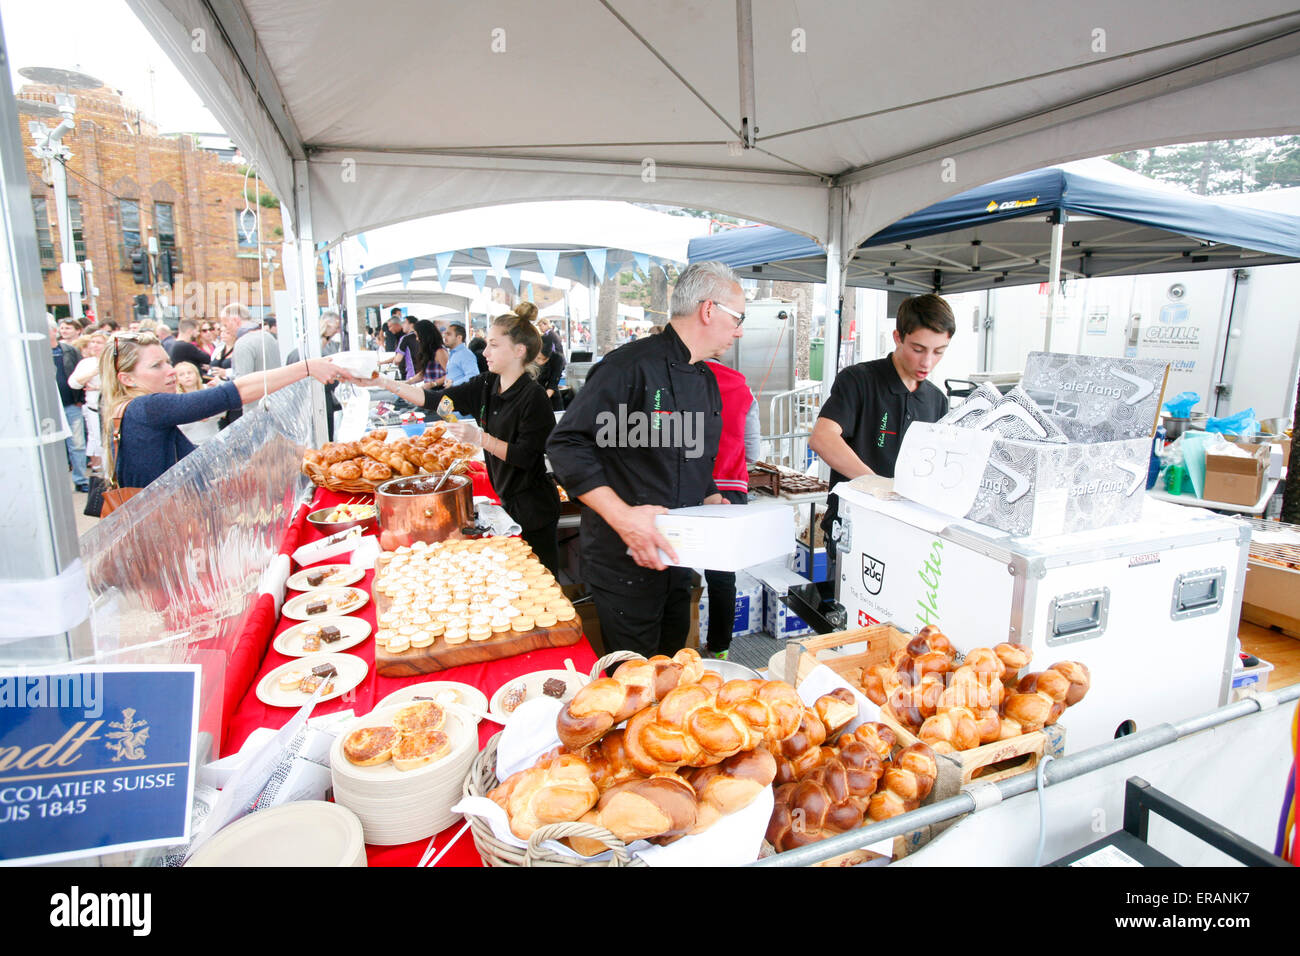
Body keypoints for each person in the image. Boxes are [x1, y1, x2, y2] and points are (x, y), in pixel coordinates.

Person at [546, 261, 744, 658]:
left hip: (677, 559)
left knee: (672, 668)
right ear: (708, 310)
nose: (739, 330)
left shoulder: (705, 379)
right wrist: (623, 517)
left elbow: (691, 458)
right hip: (624, 562)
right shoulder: (629, 367)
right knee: (634, 682)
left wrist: (709, 499)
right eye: (738, 317)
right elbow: (566, 443)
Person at [377, 303, 562, 574]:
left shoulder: (532, 397)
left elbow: (526, 457)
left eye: (494, 345)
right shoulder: (487, 384)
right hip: (505, 498)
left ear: (519, 351)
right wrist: (385, 383)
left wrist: (480, 438)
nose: (485, 352)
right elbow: (435, 400)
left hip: (533, 507)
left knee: (541, 579)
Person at [808, 292, 954, 584]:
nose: (927, 361)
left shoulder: (936, 401)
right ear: (898, 337)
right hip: (854, 527)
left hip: (908, 532)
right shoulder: (859, 380)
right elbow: (823, 438)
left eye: (939, 351)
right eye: (918, 348)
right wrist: (876, 484)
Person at [98, 332, 349, 490]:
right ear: (127, 379)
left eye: (167, 361)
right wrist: (306, 368)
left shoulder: (123, 411)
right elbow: (234, 392)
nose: (171, 370)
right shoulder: (146, 407)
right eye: (156, 366)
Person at [702, 359, 761, 661]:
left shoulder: (677, 378)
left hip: (683, 485)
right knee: (722, 575)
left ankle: (670, 650)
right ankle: (719, 647)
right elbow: (753, 451)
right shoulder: (741, 385)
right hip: (730, 486)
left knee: (673, 570)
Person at [50, 317, 89, 493]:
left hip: (71, 405)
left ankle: (80, 479)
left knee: (77, 444)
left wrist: (79, 398)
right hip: (49, 409)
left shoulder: (69, 351)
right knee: (54, 447)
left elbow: (78, 373)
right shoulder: (34, 353)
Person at [68, 331, 109, 475]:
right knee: (96, 441)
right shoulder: (86, 363)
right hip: (93, 409)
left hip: (110, 408)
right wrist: (92, 373)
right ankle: (100, 472)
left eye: (99, 342)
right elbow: (73, 383)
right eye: (93, 342)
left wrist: (98, 387)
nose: (95, 345)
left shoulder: (113, 361)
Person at [173, 361, 223, 446]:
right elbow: (178, 425)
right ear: (177, 380)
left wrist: (208, 415)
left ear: (196, 375)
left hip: (213, 438)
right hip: (193, 443)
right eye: (181, 375)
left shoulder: (208, 389)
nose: (187, 376)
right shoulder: (176, 400)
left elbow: (223, 411)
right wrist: (194, 416)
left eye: (190, 373)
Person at [395, 319, 447, 385]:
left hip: (439, 391)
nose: (417, 339)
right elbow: (423, 373)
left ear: (424, 335)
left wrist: (434, 384)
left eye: (417, 336)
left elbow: (450, 374)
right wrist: (408, 382)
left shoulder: (440, 351)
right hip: (430, 391)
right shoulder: (429, 351)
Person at [441, 322, 479, 386]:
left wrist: (453, 384)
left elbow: (473, 376)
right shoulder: (454, 353)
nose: (445, 337)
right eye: (445, 334)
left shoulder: (465, 354)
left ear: (459, 338)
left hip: (461, 394)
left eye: (449, 334)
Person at [535, 345, 566, 411]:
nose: (540, 362)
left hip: (552, 400)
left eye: (544, 359)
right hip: (531, 397)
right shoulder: (527, 358)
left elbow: (552, 385)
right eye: (538, 358)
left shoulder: (557, 358)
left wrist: (540, 402)